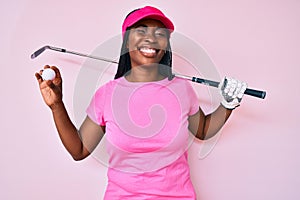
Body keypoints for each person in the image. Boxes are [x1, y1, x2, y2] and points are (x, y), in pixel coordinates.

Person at [35, 6, 247, 199]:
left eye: (160, 34)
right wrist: (57, 105)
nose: (151, 38)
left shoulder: (182, 89)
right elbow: (79, 150)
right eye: (142, 31)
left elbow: (203, 130)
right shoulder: (106, 95)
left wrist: (227, 105)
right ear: (127, 41)